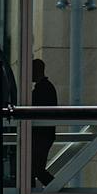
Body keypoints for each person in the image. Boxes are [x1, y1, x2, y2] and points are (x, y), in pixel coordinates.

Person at [30, 58, 60, 186]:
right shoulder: (47, 87)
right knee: (35, 168)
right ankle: (55, 188)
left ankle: (55, 188)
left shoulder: (42, 89)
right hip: (44, 134)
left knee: (35, 168)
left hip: (41, 135)